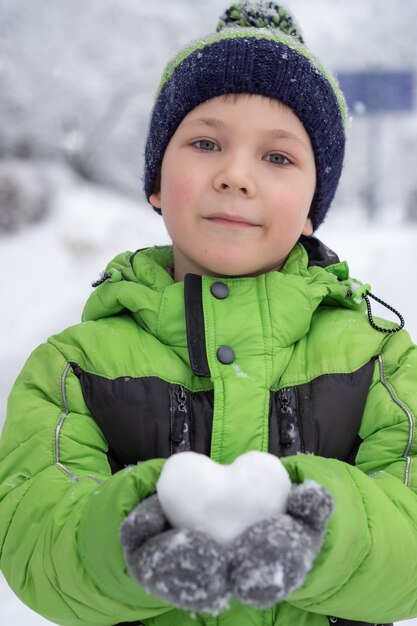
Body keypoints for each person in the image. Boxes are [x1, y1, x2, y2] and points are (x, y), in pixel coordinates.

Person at [0, 2, 416, 626]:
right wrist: (130, 538)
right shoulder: (72, 366)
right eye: (205, 142)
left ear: (312, 209)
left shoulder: (380, 360)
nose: (235, 175)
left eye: (277, 157)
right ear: (158, 184)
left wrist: (322, 535)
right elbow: (35, 542)